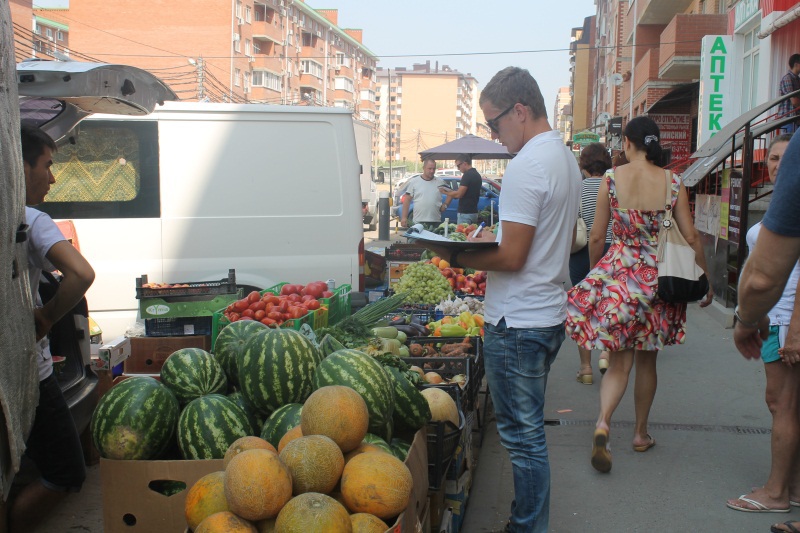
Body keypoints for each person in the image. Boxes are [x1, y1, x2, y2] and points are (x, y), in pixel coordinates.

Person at [423, 66, 580, 532]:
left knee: (522, 437)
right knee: (527, 432)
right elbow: (557, 236)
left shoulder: (528, 164)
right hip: (547, 312)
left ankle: (527, 526)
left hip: (518, 321)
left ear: (520, 110)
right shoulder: (563, 158)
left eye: (494, 124)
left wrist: (457, 255)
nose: (493, 135)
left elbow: (511, 256)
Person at [565, 116, 713, 474]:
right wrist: (704, 277)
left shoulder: (611, 180)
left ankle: (603, 423)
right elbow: (691, 235)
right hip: (660, 278)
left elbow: (598, 236)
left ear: (628, 143)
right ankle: (641, 434)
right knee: (648, 360)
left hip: (620, 273)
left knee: (619, 362)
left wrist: (599, 276)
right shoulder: (673, 182)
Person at [7, 125, 95, 533]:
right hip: (32, 377)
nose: (52, 177)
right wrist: (47, 318)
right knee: (65, 470)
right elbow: (80, 273)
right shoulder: (29, 219)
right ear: (19, 167)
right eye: (47, 165)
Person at [726, 134, 800, 514]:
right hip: (776, 317)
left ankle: (776, 493)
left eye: (785, 157)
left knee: (781, 403)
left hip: (784, 319)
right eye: (771, 157)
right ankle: (792, 484)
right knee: (786, 404)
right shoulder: (780, 204)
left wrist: (794, 327)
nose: (776, 164)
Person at [571, 143, 613, 385]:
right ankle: (605, 352)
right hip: (611, 251)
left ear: (583, 164)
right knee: (607, 303)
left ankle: (585, 368)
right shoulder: (615, 185)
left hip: (581, 250)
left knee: (583, 307)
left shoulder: (577, 187)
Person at [400, 157, 446, 231]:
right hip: (418, 221)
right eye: (429, 168)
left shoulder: (440, 182)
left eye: (434, 169)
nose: (432, 171)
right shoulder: (414, 182)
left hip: (435, 221)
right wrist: (404, 217)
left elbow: (451, 193)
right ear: (423, 168)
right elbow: (407, 200)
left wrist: (445, 204)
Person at [440, 154, 482, 225]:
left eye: (458, 166)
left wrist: (444, 192)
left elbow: (459, 194)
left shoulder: (467, 175)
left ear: (465, 163)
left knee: (462, 234)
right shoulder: (477, 174)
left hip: (465, 213)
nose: (458, 169)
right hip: (474, 212)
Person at [778, 54, 800, 134]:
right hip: (789, 119)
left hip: (796, 120)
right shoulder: (787, 79)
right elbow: (794, 101)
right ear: (796, 64)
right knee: (789, 143)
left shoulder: (797, 80)